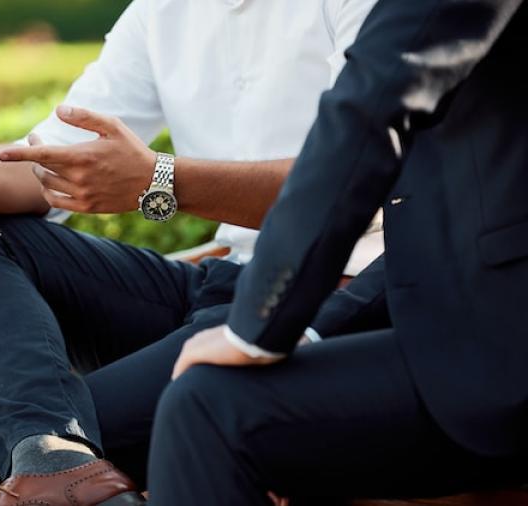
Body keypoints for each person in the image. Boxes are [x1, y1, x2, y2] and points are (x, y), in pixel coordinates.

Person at [0, 1, 382, 504]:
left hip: (327, 296)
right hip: (219, 282)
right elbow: (51, 163)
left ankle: (51, 457)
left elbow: (350, 182)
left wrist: (160, 180)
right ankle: (54, 454)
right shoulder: (161, 11)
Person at [144, 0, 528, 504]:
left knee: (208, 409)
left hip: (500, 350)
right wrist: (308, 327)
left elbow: (369, 108)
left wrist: (257, 327)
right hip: (462, 326)